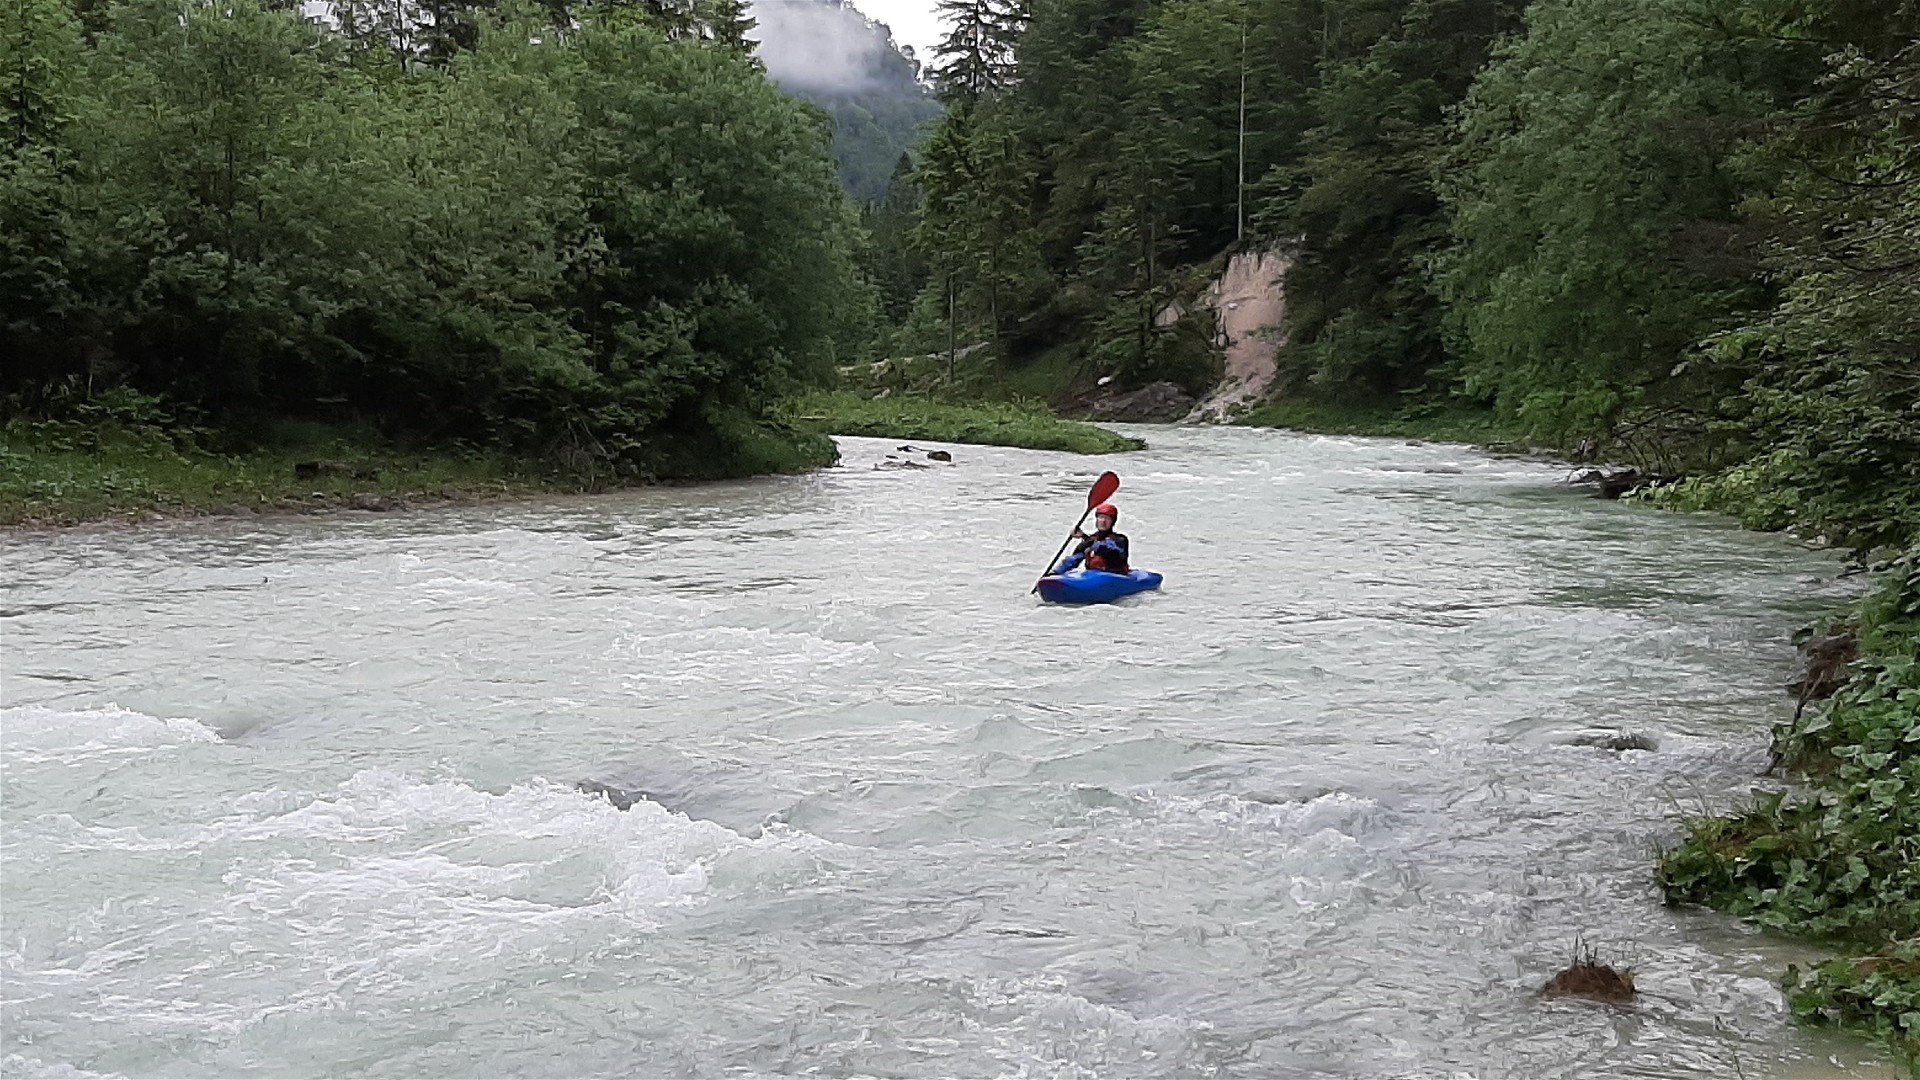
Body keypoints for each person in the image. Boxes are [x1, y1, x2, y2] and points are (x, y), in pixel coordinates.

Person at [1054, 503, 1131, 573]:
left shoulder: (1120, 540)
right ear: (1096, 520)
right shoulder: (1090, 541)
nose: (1103, 521)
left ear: (1113, 522)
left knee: (1095, 549)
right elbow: (1074, 559)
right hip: (1093, 576)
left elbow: (1116, 555)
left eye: (1107, 518)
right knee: (1081, 552)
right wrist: (1055, 573)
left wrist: (1090, 542)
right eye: (1101, 517)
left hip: (1115, 575)